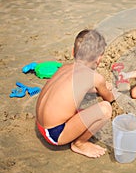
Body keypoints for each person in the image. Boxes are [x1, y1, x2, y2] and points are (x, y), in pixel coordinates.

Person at [36, 29, 115, 158]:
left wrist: (99, 88)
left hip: (40, 123)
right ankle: (80, 144)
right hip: (55, 133)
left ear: (73, 52)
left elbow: (78, 86)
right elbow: (109, 98)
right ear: (98, 59)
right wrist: (108, 89)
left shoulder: (64, 67)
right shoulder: (95, 78)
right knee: (105, 109)